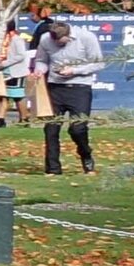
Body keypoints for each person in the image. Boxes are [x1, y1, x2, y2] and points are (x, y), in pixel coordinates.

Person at [38, 15, 103, 174]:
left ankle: (86, 155)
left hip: (80, 87)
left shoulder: (86, 37)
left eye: (61, 42)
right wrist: (39, 70)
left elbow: (98, 63)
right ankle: (53, 169)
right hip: (55, 87)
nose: (57, 44)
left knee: (78, 129)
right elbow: (41, 60)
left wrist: (74, 71)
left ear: (69, 35)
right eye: (55, 42)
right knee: (51, 129)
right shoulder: (45, 39)